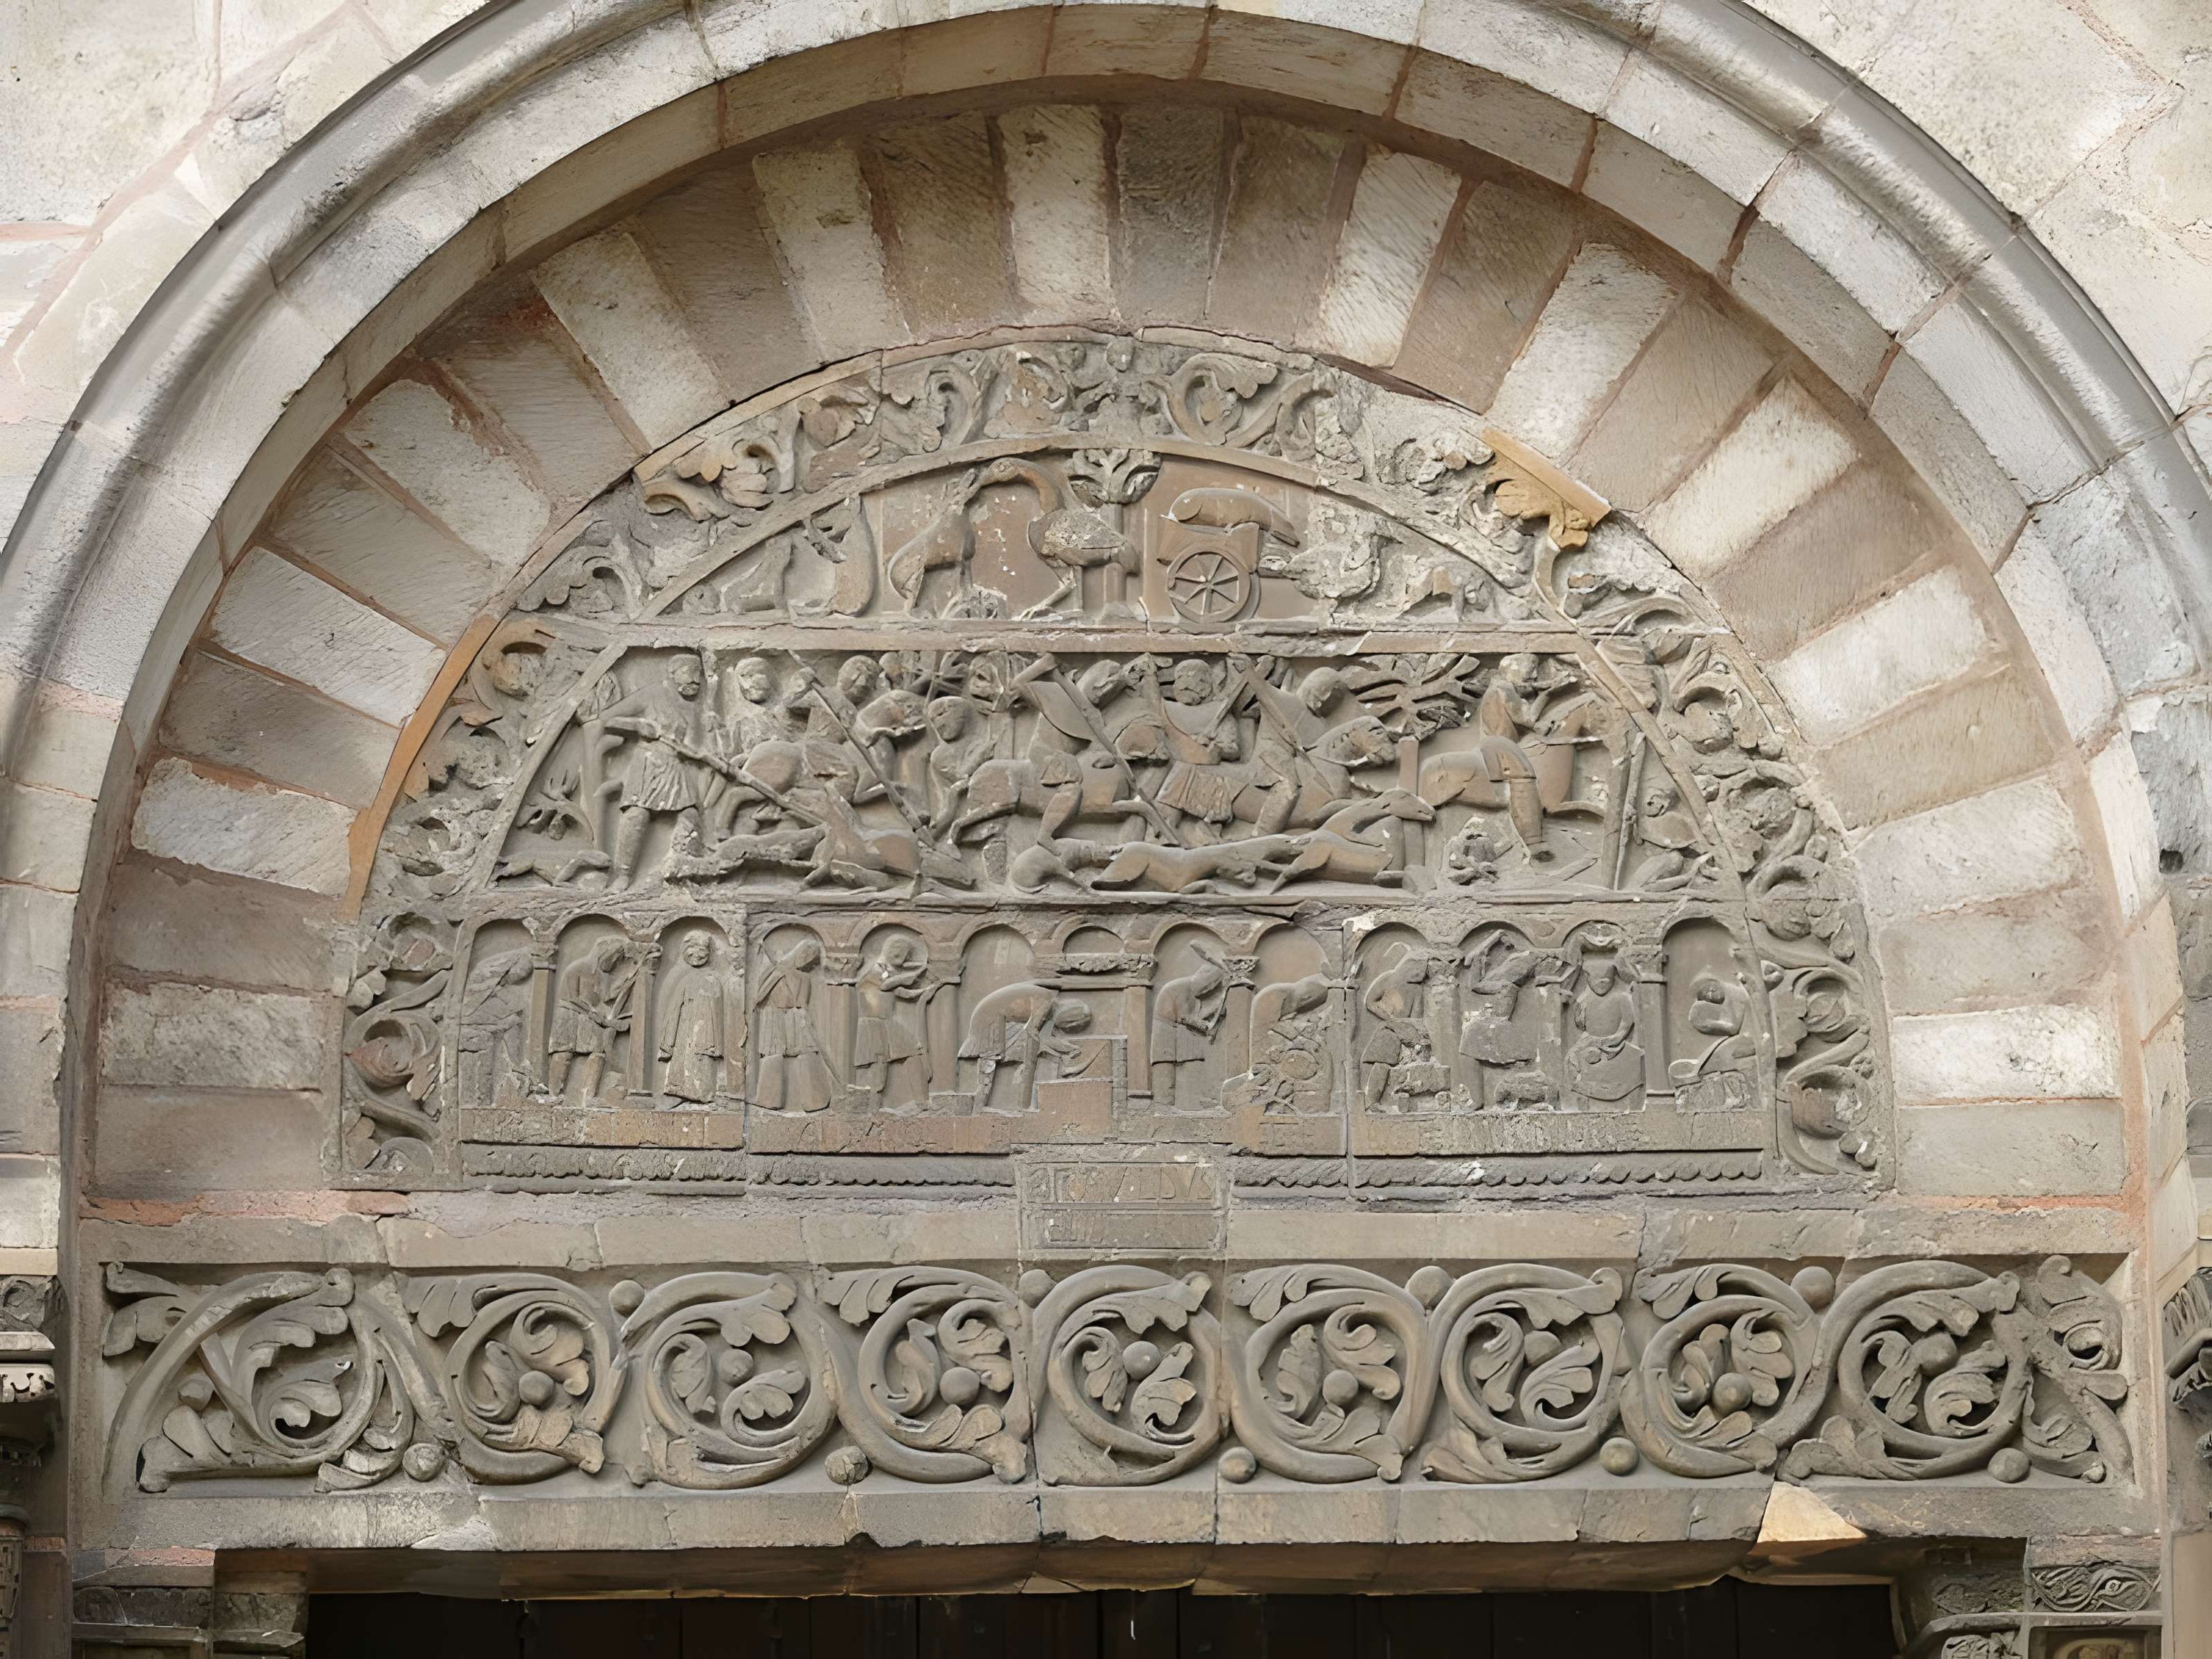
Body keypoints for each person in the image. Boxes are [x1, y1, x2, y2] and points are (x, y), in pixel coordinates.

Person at [752, 937, 836, 1112]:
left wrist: (803, 1018)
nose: (807, 958)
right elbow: (759, 996)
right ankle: (768, 1099)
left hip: (797, 1016)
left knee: (808, 1053)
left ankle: (816, 1100)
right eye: (806, 953)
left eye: (811, 957)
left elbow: (802, 1002)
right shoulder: (775, 971)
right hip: (774, 1015)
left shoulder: (804, 978)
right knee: (772, 1056)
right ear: (799, 950)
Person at [548, 938, 633, 1102]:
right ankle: (554, 1095)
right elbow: (571, 997)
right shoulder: (576, 968)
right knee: (563, 1053)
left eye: (619, 959)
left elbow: (607, 996)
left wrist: (627, 979)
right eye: (615, 957)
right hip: (569, 1015)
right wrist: (594, 1013)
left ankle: (589, 1096)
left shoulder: (603, 976)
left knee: (598, 1051)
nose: (615, 963)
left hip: (590, 1016)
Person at [852, 935, 930, 1110]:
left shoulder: (888, 972)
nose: (905, 958)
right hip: (873, 1025)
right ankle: (872, 1112)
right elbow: (886, 985)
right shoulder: (874, 969)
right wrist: (916, 973)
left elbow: (903, 992)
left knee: (914, 1052)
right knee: (879, 1070)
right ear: (893, 950)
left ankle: (922, 1102)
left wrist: (925, 992)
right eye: (903, 953)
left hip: (888, 1023)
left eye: (907, 954)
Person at [1149, 946, 1228, 1109]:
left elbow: (1195, 1017)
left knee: (1194, 1064)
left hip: (1181, 1034)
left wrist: (1217, 1011)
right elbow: (1185, 1017)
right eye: (1210, 985)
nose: (1209, 990)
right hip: (1167, 1033)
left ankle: (1191, 1103)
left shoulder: (1193, 993)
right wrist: (1206, 1026)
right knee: (1166, 1072)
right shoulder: (1182, 987)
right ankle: (1164, 1107)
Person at [655, 935, 726, 1104]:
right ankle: (681, 1093)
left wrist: (715, 1043)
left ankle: (702, 1094)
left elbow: (717, 1015)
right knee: (683, 1062)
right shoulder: (682, 976)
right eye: (697, 949)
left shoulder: (713, 980)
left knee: (702, 1066)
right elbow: (674, 1010)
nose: (700, 954)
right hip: (684, 1029)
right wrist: (668, 1041)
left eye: (704, 950)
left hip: (705, 1033)